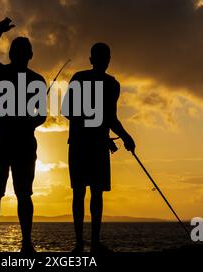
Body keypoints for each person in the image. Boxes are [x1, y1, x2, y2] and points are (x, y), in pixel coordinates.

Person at [0, 18, 46, 254]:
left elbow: (42, 116)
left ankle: (10, 244)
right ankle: (4, 244)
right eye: (19, 51)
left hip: (15, 142)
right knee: (3, 194)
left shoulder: (15, 76)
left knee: (15, 194)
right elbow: (42, 117)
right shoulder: (31, 79)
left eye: (21, 51)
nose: (20, 55)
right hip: (11, 142)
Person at [62, 42, 136, 253]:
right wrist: (112, 135)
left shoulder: (106, 83)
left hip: (86, 144)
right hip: (84, 144)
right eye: (103, 57)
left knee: (89, 194)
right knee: (86, 193)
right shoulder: (102, 83)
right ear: (96, 59)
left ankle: (87, 244)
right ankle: (85, 244)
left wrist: (125, 136)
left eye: (106, 57)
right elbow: (69, 111)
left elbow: (108, 118)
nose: (105, 60)